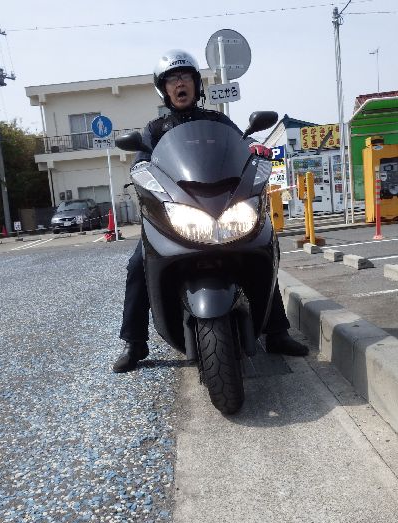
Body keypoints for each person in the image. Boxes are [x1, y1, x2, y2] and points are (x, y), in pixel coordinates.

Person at [113, 49, 308, 373]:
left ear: (196, 83)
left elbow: (242, 150)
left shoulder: (218, 122)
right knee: (137, 265)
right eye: (172, 79)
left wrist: (255, 153)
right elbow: (141, 164)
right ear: (164, 89)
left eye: (185, 77)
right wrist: (142, 173)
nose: (179, 84)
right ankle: (134, 342)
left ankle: (277, 332)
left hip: (223, 206)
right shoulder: (155, 130)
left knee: (263, 246)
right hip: (178, 211)